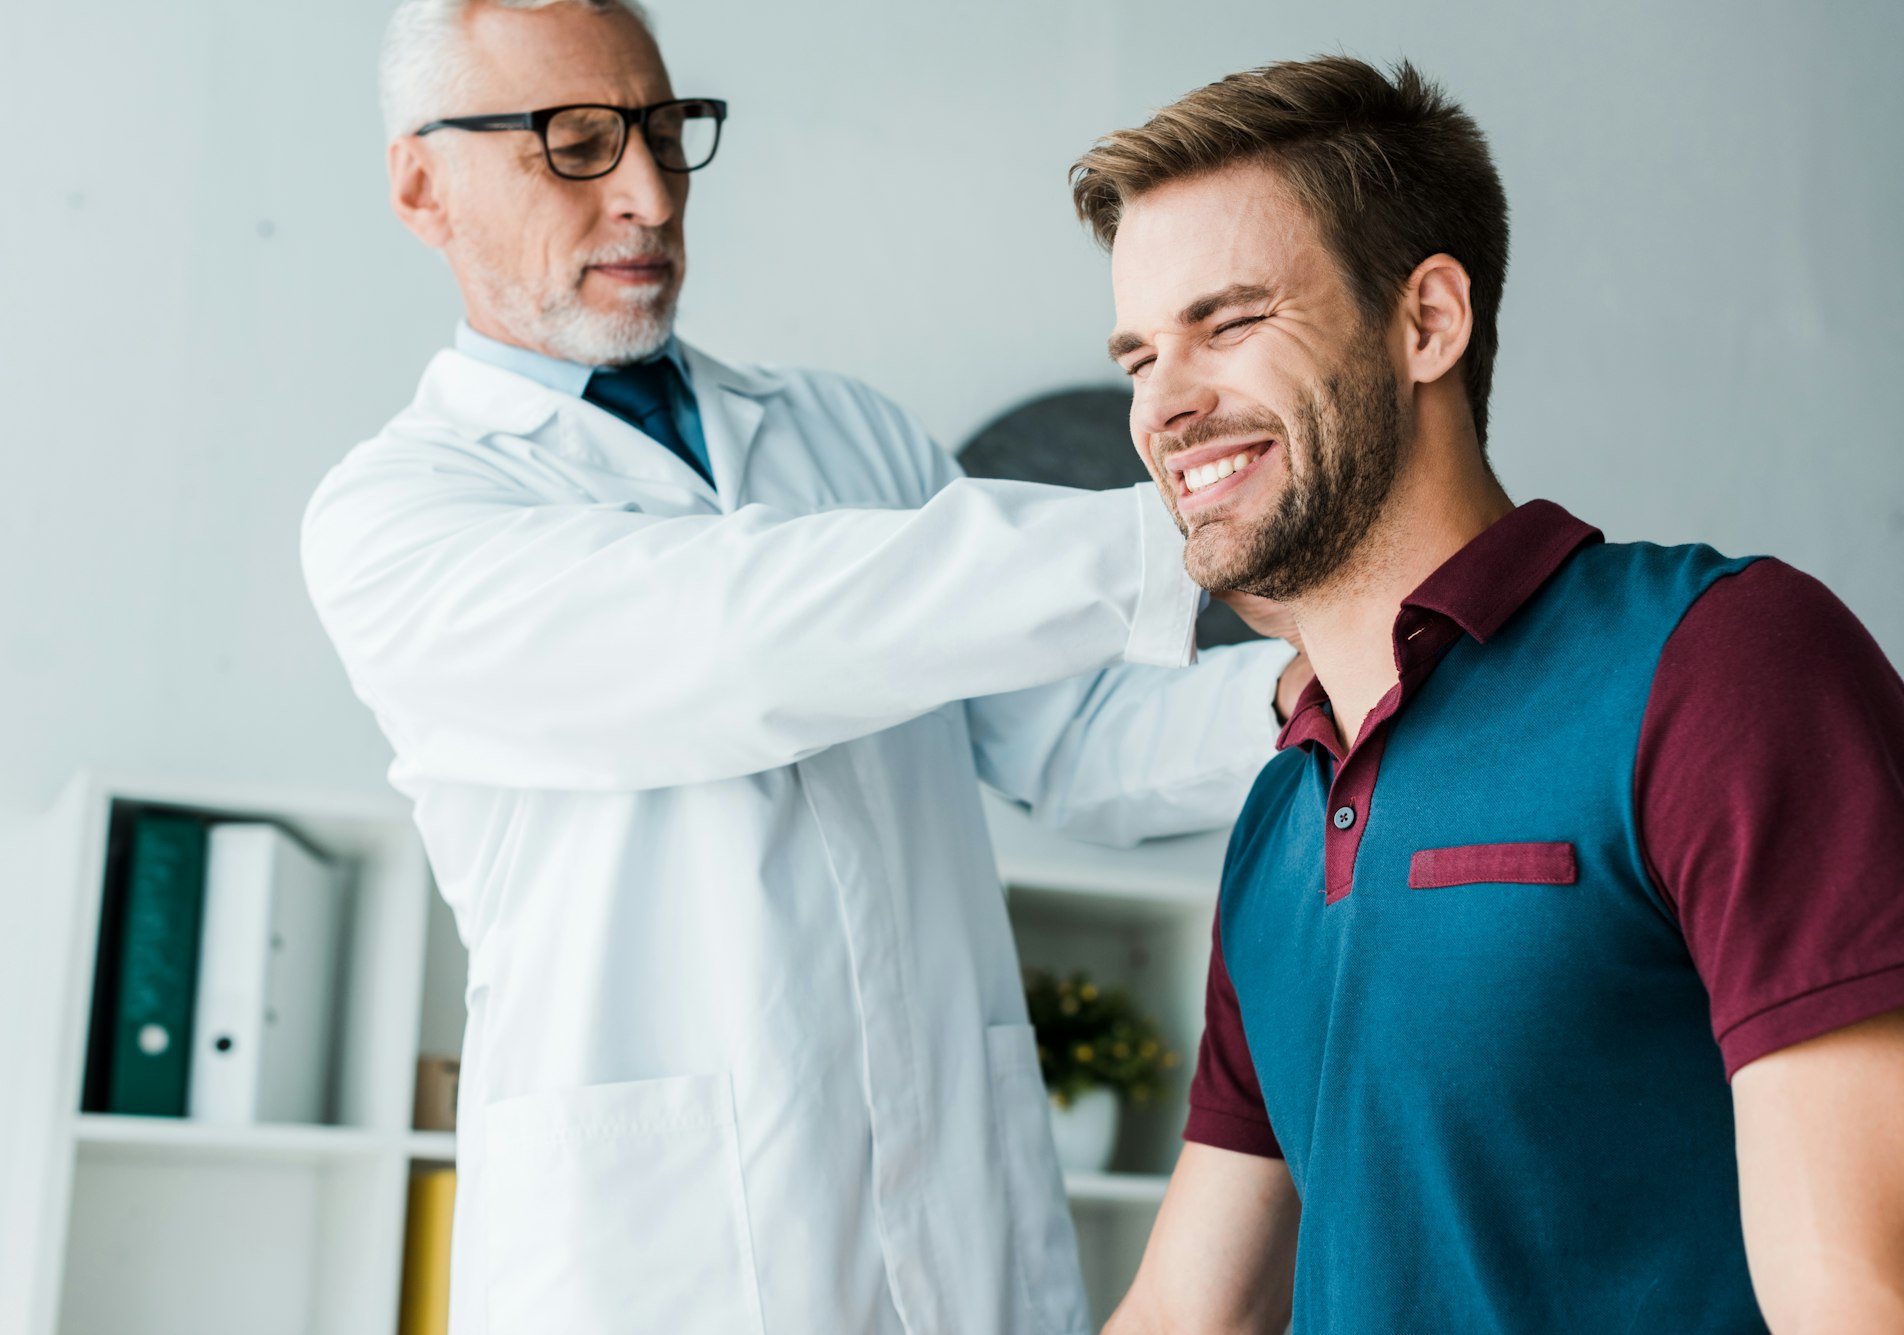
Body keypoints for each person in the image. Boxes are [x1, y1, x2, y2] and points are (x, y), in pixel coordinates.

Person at [300, 3, 1307, 1332]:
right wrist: (1199, 521)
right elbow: (740, 635)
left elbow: (1068, 741)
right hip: (657, 1265)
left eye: (665, 132)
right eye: (579, 144)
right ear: (421, 182)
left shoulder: (848, 433)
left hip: (960, 1229)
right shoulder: (398, 517)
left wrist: (1304, 695)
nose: (651, 195)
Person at [1075, 56, 1904, 1335]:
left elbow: (1859, 1292)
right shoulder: (1280, 816)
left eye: (1227, 323)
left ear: (1426, 323)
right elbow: (1192, 1309)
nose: (1164, 404)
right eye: (1139, 353)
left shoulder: (1718, 665)